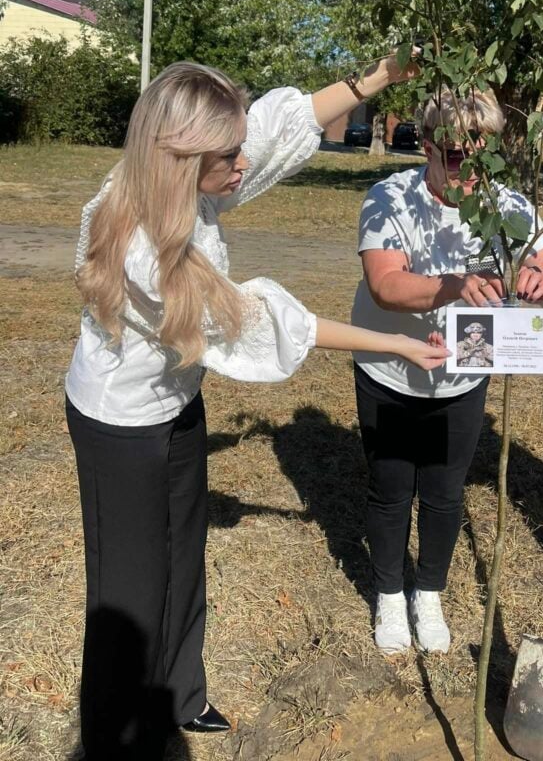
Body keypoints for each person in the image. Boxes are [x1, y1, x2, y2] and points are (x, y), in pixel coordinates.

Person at [64, 55, 449, 760]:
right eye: (228, 155)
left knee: (183, 557)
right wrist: (389, 343)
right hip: (119, 423)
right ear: (180, 161)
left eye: (239, 148)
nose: (244, 163)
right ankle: (116, 738)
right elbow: (258, 321)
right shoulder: (145, 254)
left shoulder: (184, 184)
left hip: (175, 400)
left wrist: (382, 77)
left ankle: (181, 694)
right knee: (131, 589)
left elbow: (279, 125)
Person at [351, 89, 543, 654]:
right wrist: (452, 285)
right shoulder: (388, 199)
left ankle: (429, 592)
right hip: (391, 367)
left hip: (465, 374)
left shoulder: (509, 206)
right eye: (453, 153)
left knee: (447, 493)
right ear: (427, 143)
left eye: (481, 152)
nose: (467, 166)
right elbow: (386, 284)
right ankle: (389, 594)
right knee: (392, 489)